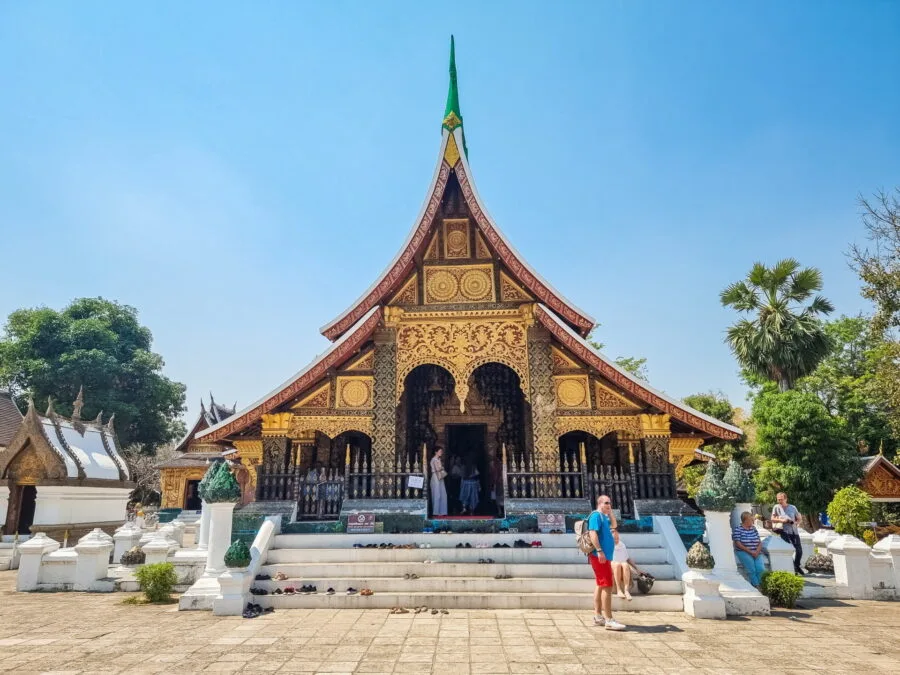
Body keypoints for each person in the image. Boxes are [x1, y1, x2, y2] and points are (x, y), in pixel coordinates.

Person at [588, 494, 626, 631]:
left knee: (600, 584)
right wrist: (599, 550)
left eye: (610, 503)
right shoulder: (596, 516)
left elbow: (614, 525)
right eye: (606, 503)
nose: (609, 505)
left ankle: (598, 616)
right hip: (599, 556)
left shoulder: (604, 516)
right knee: (607, 586)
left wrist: (610, 513)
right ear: (599, 504)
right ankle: (609, 619)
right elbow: (593, 533)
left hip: (604, 556)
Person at [771, 492, 804, 575]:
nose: (780, 501)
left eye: (781, 499)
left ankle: (796, 565)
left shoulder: (793, 507)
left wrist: (796, 522)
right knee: (788, 550)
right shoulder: (776, 507)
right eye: (778, 500)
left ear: (786, 499)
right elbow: (772, 518)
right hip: (783, 531)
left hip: (794, 531)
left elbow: (799, 518)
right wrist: (782, 520)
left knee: (799, 551)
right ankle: (794, 568)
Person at [732, 511, 765, 587]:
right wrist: (750, 552)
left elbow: (759, 542)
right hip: (744, 551)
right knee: (752, 569)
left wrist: (757, 551)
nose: (753, 521)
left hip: (756, 552)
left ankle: (762, 585)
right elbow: (738, 544)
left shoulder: (753, 528)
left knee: (761, 569)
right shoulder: (738, 530)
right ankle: (756, 585)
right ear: (746, 520)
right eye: (751, 519)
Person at [430, 447, 448, 516]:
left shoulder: (438, 459)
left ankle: (442, 511)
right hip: (435, 477)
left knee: (442, 494)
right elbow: (437, 469)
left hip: (440, 477)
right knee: (437, 494)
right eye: (440, 451)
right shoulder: (434, 460)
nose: (441, 453)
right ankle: (436, 512)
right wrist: (442, 467)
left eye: (441, 451)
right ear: (436, 452)